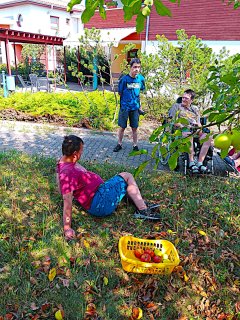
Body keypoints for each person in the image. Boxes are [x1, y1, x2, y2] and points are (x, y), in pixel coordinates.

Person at [57, 135, 161, 240]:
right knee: (127, 176)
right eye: (81, 151)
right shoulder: (68, 173)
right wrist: (67, 228)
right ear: (75, 154)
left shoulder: (64, 160)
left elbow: (59, 176)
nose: (82, 153)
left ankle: (137, 202)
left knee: (123, 184)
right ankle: (143, 211)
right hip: (100, 203)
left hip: (98, 195)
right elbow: (67, 201)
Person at [168, 89, 213, 173]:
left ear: (191, 100)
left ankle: (200, 163)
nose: (183, 99)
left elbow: (199, 123)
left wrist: (199, 128)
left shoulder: (195, 109)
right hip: (181, 130)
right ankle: (191, 163)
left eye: (186, 98)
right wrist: (183, 126)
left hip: (195, 130)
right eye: (183, 97)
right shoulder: (176, 106)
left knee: (208, 137)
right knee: (189, 134)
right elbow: (172, 121)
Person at [113, 58, 145, 152]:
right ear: (130, 68)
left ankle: (135, 145)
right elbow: (120, 93)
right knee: (122, 127)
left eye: (138, 67)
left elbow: (140, 93)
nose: (137, 69)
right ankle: (119, 144)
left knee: (134, 127)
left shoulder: (141, 79)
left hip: (135, 108)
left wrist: (140, 106)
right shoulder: (124, 79)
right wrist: (126, 101)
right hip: (125, 107)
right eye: (135, 67)